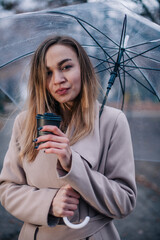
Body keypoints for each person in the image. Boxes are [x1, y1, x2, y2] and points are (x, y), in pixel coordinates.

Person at [0, 35, 136, 240]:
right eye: (48, 73)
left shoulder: (112, 121)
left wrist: (73, 164)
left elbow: (124, 202)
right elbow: (7, 189)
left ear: (83, 68)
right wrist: (49, 202)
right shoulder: (25, 123)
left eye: (65, 67)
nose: (58, 80)